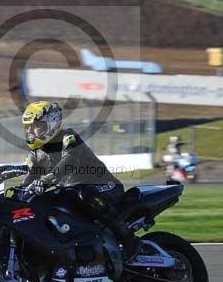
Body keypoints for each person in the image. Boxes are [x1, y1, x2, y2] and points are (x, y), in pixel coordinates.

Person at [21, 100, 141, 261]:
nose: (30, 131)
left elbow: (69, 161)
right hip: (71, 192)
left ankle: (128, 239)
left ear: (51, 123)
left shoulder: (68, 137)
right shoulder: (35, 154)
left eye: (35, 125)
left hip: (103, 187)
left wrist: (46, 180)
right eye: (27, 127)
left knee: (85, 195)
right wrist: (19, 194)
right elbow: (29, 178)